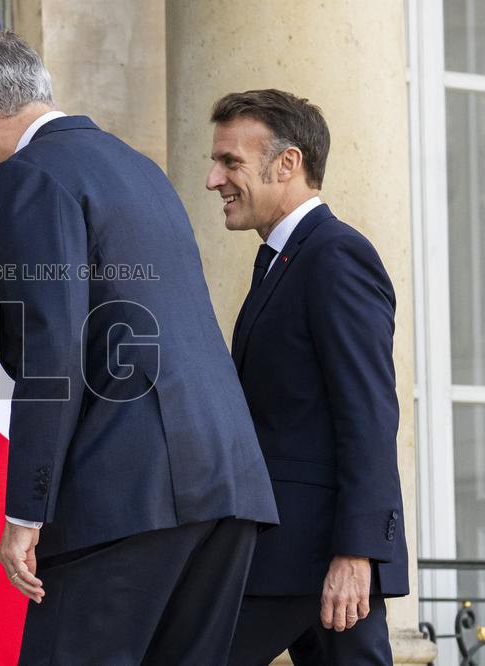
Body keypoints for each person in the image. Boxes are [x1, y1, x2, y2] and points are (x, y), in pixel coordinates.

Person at [0, 31, 279, 665]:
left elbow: (50, 350)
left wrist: (25, 510)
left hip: (128, 492)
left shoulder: (25, 175)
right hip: (226, 485)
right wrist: (3, 263)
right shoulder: (136, 165)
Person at [205, 89, 408, 665]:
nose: (214, 180)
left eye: (231, 162)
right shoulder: (283, 259)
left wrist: (356, 554)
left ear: (287, 163)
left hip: (316, 558)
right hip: (286, 554)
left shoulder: (336, 256)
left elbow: (368, 414)